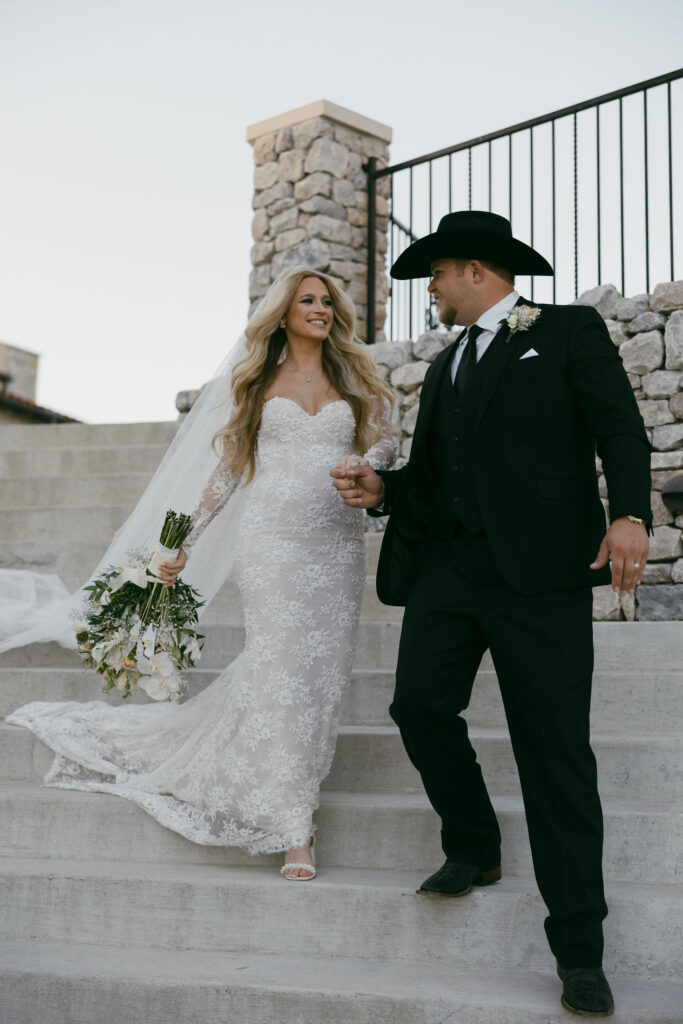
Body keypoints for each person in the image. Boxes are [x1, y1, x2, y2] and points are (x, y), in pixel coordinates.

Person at [331, 211, 651, 1016]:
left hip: (541, 576)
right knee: (417, 705)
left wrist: (630, 516)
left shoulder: (568, 331)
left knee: (554, 755)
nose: (429, 292)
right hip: (449, 569)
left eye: (434, 276)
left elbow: (619, 428)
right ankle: (473, 844)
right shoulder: (445, 368)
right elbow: (433, 477)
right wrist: (384, 492)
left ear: (474, 270)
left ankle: (578, 950)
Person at [6, 268, 396, 881]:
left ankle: (292, 781)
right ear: (284, 314)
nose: (320, 310)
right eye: (307, 302)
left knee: (321, 675)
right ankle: (294, 825)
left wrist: (365, 462)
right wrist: (178, 542)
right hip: (271, 543)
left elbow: (384, 444)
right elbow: (225, 474)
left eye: (326, 302)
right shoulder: (259, 383)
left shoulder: (353, 376)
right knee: (281, 670)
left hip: (336, 546)